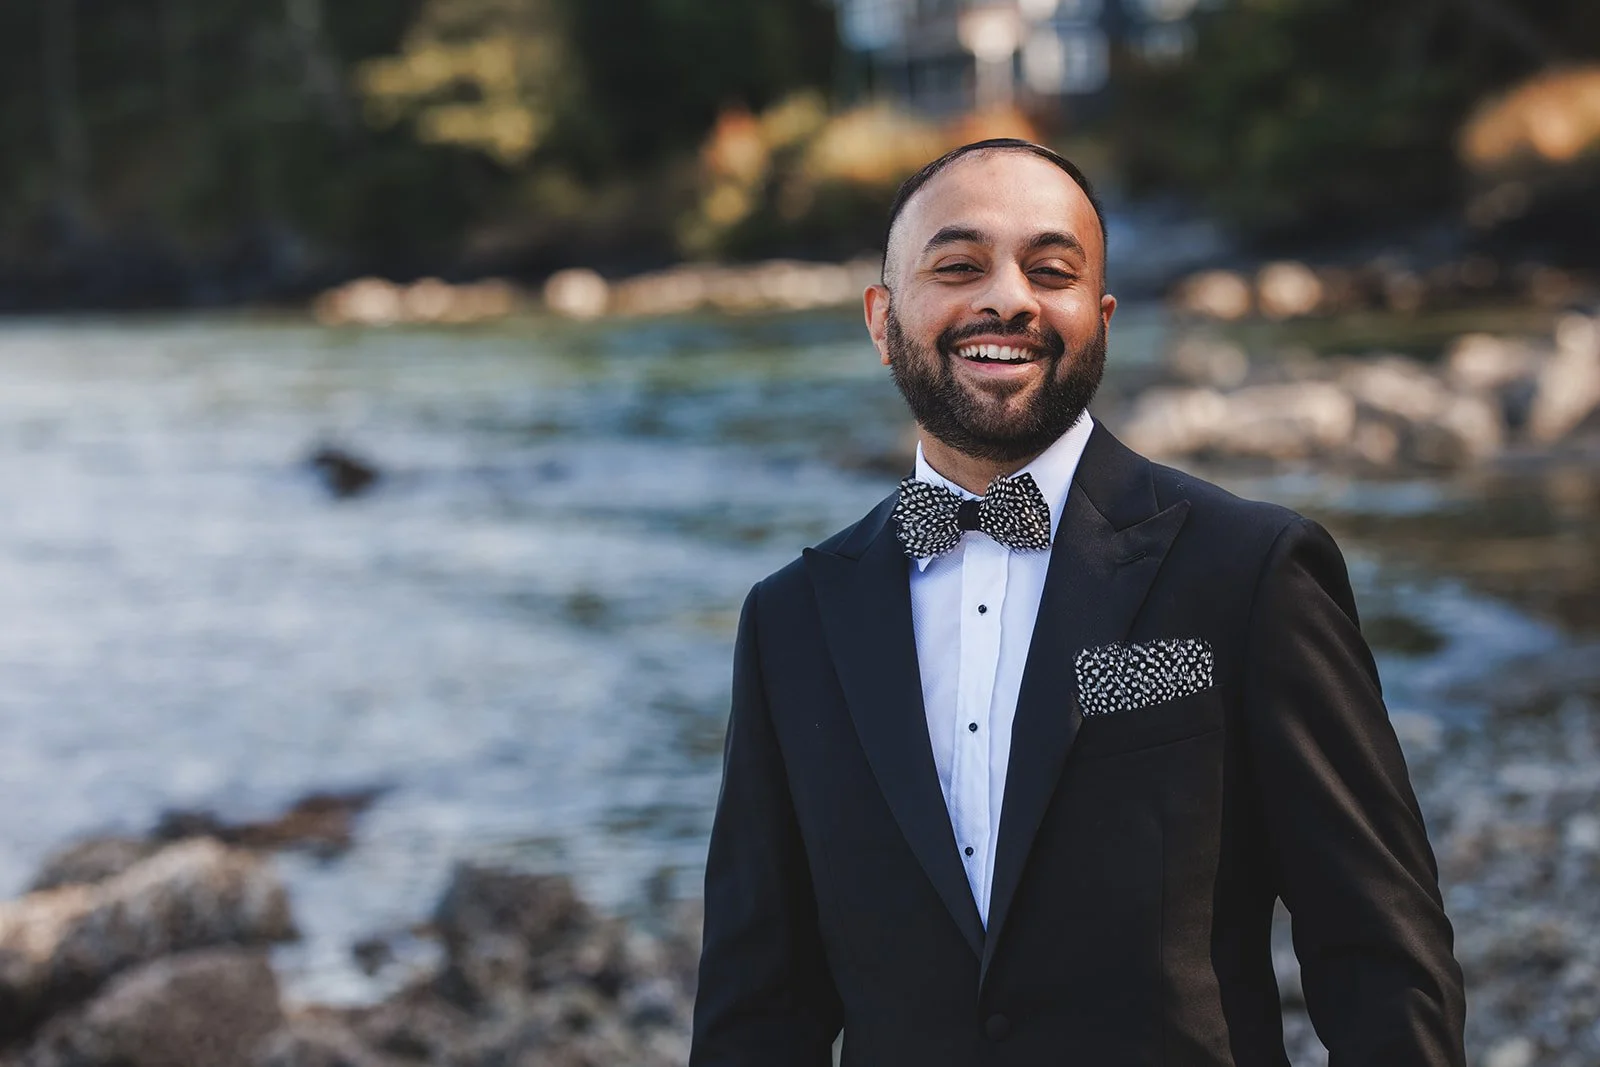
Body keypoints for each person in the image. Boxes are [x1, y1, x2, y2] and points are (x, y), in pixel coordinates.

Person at [689, 138, 1466, 1067]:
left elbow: (1383, 953)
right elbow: (756, 1008)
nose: (1008, 298)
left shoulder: (1250, 569)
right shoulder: (791, 620)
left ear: (1099, 319)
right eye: (959, 266)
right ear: (881, 319)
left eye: (1050, 271)